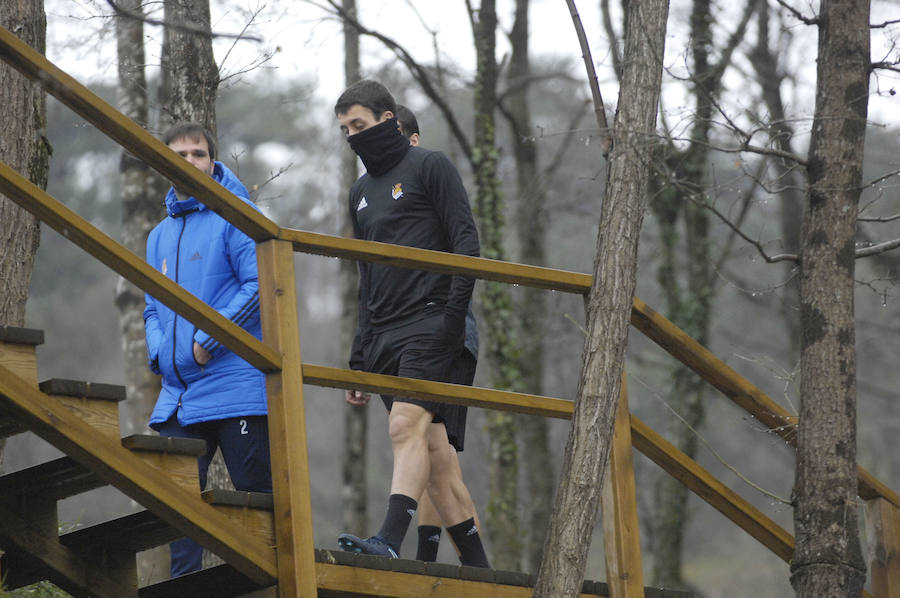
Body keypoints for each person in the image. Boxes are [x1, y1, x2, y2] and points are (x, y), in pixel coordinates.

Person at [334, 80, 489, 568]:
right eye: (345, 130)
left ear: (387, 120)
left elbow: (466, 244)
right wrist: (359, 355)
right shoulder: (359, 192)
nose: (352, 136)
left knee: (404, 426)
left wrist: (452, 321)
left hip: (433, 320)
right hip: (383, 332)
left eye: (359, 125)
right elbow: (366, 276)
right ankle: (483, 574)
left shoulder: (430, 165)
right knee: (437, 460)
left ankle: (387, 540)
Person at [143, 122, 272, 576]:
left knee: (257, 501)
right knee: (177, 508)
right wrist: (161, 353)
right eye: (179, 155)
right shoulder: (157, 236)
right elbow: (151, 308)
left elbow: (260, 286)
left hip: (236, 385)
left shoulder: (237, 215)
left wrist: (206, 342)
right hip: (179, 394)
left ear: (212, 161)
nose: (190, 162)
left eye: (198, 154)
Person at [395, 104, 483, 564]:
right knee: (435, 451)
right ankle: (445, 561)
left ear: (413, 138)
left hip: (444, 328)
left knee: (435, 449)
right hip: (408, 329)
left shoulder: (431, 175)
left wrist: (451, 320)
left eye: (398, 134)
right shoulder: (386, 197)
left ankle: (436, 559)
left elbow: (466, 244)